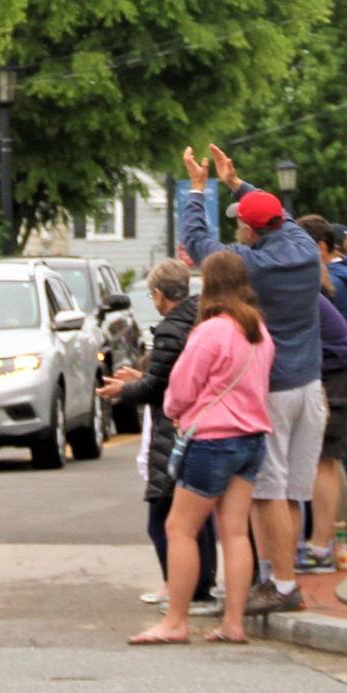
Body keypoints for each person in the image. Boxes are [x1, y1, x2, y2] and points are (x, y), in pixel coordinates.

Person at [178, 144, 321, 619]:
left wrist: (198, 190)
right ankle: (281, 573)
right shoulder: (302, 246)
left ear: (248, 230)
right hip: (310, 385)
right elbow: (276, 213)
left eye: (241, 218)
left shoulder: (251, 265)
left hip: (275, 389)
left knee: (269, 492)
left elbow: (199, 244)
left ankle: (280, 585)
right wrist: (237, 183)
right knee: (293, 491)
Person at [129, 251, 274, 646]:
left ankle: (175, 621)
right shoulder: (258, 329)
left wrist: (176, 412)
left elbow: (180, 387)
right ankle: (234, 622)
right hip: (252, 439)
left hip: (213, 440)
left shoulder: (211, 331)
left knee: (179, 528)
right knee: (236, 533)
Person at [100, 259, 215, 610]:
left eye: (153, 294)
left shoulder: (169, 329)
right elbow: (167, 375)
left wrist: (124, 391)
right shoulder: (201, 319)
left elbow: (160, 387)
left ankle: (179, 585)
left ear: (161, 295)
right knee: (200, 516)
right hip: (200, 423)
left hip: (172, 428)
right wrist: (143, 378)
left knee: (163, 515)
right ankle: (200, 582)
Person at [305, 282, 347, 571]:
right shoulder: (298, 286)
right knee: (327, 461)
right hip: (342, 371)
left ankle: (322, 546)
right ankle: (332, 540)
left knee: (325, 460)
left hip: (339, 374)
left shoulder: (290, 291)